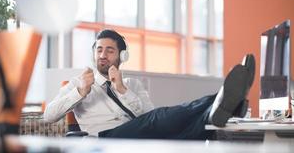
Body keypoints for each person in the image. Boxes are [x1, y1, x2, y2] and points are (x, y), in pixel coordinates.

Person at [44, 29, 255, 140]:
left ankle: (220, 107)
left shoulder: (131, 84)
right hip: (105, 138)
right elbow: (49, 116)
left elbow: (148, 116)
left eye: (109, 50)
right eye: (99, 50)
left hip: (138, 133)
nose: (103, 55)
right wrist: (80, 91)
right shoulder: (79, 83)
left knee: (190, 134)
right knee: (159, 119)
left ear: (121, 56)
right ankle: (224, 98)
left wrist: (123, 90)